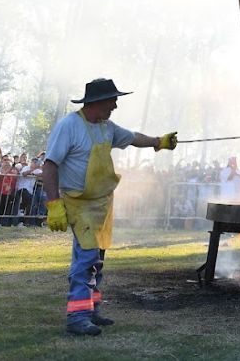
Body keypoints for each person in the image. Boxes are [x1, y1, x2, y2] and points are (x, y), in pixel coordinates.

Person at [42, 78, 177, 336]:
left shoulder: (107, 127)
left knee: (97, 260)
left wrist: (159, 141)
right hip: (79, 204)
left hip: (102, 205)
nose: (115, 106)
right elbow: (49, 166)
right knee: (86, 260)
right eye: (112, 101)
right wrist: (54, 204)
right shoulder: (69, 126)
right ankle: (77, 317)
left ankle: (91, 310)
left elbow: (133, 138)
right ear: (97, 102)